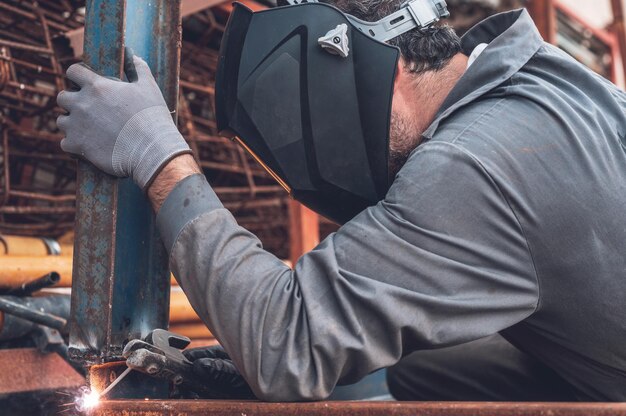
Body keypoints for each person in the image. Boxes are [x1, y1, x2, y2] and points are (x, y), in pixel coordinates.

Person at [56, 0, 626, 402]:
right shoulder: (548, 82)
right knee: (418, 371)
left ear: (361, 62)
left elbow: (282, 343)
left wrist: (156, 154)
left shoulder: (471, 162)